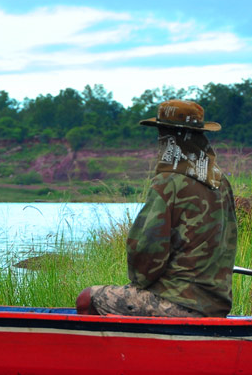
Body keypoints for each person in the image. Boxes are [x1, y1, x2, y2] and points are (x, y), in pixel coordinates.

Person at [76, 99, 238, 318]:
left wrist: (140, 282)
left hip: (179, 305)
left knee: (86, 299)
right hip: (216, 305)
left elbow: (147, 251)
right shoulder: (220, 181)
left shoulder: (169, 181)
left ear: (168, 137)